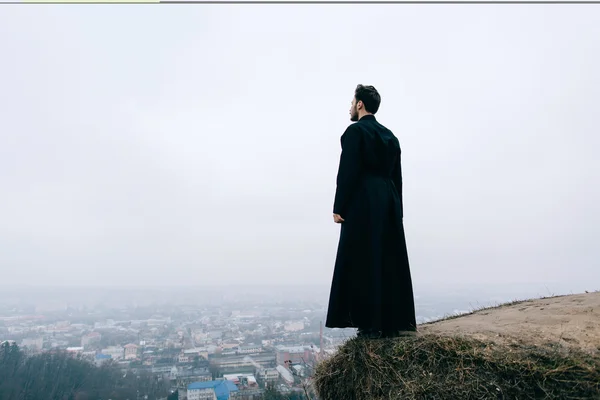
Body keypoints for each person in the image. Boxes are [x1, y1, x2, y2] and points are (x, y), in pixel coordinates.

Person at [325, 84, 417, 339]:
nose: (350, 107)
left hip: (363, 201)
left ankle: (368, 324)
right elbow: (397, 178)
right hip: (388, 200)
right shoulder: (390, 137)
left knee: (362, 257)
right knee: (388, 258)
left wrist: (339, 206)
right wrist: (397, 210)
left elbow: (348, 172)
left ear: (359, 104)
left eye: (352, 102)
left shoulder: (355, 132)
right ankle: (392, 322)